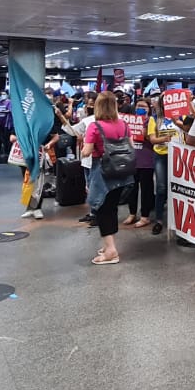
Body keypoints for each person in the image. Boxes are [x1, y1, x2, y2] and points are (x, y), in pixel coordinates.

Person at [83, 91, 134, 265]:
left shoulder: (94, 127)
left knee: (102, 210)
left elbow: (87, 152)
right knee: (111, 208)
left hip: (102, 173)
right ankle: (109, 245)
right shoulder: (125, 125)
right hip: (122, 173)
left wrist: (83, 147)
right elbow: (131, 146)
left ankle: (111, 250)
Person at [123, 98, 155, 229]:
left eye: (143, 106)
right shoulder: (129, 121)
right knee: (132, 188)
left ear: (149, 108)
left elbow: (154, 140)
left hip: (147, 160)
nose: (140, 108)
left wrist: (145, 134)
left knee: (146, 189)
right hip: (132, 159)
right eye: (138, 106)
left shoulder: (151, 121)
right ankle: (132, 213)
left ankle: (145, 216)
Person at [146, 98, 177, 236]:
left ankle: (176, 219)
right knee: (161, 187)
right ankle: (159, 220)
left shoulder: (179, 117)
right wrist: (165, 139)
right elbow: (152, 139)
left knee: (176, 188)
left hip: (177, 156)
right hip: (161, 155)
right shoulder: (154, 119)